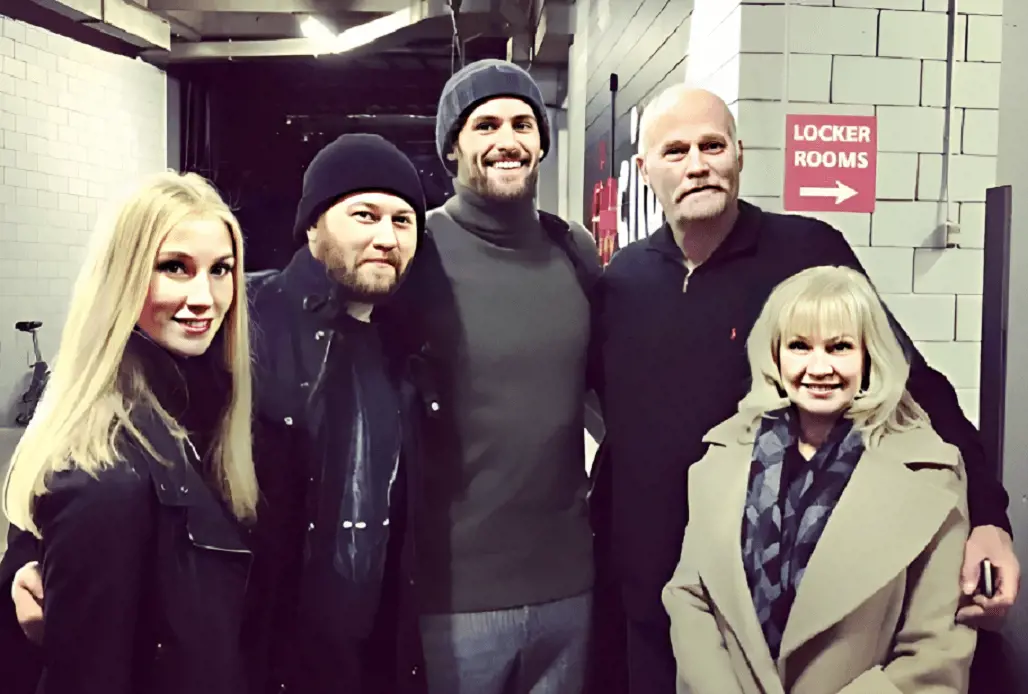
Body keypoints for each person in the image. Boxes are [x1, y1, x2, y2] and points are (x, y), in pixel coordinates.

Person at [590, 84, 1019, 693]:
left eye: (712, 145)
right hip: (654, 599)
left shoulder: (805, 251)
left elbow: (912, 381)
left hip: (768, 597)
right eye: (676, 150)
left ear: (739, 154)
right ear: (645, 169)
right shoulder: (622, 280)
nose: (697, 163)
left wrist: (988, 515)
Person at [2, 134, 430, 694]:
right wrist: (28, 561)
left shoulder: (414, 343)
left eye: (403, 220)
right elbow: (78, 463)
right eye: (365, 214)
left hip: (344, 654)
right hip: (261, 656)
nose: (385, 236)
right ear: (313, 226)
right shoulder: (249, 321)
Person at [378, 58, 602, 694]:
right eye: (485, 125)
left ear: (541, 141)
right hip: (453, 602)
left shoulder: (573, 250)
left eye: (522, 123)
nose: (507, 140)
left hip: (569, 588)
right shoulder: (415, 252)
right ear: (453, 146)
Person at [0, 171, 259, 694]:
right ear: (122, 278)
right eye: (173, 268)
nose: (204, 297)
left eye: (221, 270)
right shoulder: (108, 471)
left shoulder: (213, 406)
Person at [663, 265, 977, 693]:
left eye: (839, 346)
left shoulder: (928, 472)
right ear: (774, 355)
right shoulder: (723, 456)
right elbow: (691, 597)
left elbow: (936, 649)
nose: (818, 366)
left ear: (869, 355)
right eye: (799, 346)